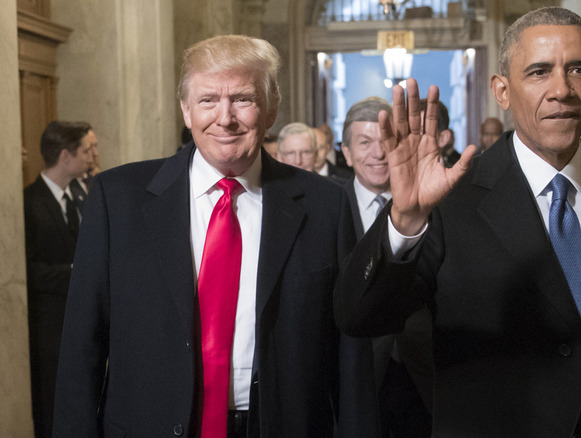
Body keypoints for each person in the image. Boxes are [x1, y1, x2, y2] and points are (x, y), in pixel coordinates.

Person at [335, 6, 581, 436]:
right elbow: (360, 317)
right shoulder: (450, 199)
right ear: (502, 91)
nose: (561, 90)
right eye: (539, 72)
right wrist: (405, 221)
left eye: (578, 70)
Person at [53, 35, 377, 438]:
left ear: (271, 108)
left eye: (242, 99)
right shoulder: (117, 199)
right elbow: (81, 348)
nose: (225, 118)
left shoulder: (325, 204)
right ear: (186, 110)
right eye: (208, 100)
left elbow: (350, 354)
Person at [341, 96, 433, 437]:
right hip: (353, 374)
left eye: (384, 141)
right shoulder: (327, 208)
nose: (378, 154)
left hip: (424, 371)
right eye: (364, 143)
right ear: (346, 152)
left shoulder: (432, 202)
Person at [24, 120, 94, 438]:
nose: (92, 157)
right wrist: (74, 272)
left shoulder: (80, 193)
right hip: (49, 328)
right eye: (86, 150)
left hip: (81, 323)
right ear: (66, 156)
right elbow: (26, 271)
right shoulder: (30, 202)